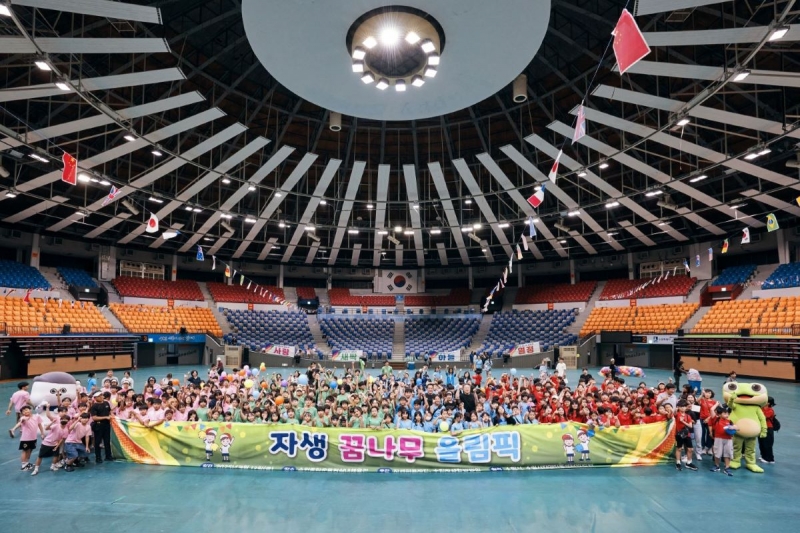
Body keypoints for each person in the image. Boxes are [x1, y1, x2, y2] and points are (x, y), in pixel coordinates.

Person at [10, 405, 44, 471]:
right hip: (25, 438)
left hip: (33, 437)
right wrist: (13, 429)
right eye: (23, 411)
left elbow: (39, 425)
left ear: (30, 410)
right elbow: (20, 423)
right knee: (25, 450)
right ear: (22, 413)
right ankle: (23, 465)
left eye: (26, 410)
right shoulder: (23, 418)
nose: (25, 411)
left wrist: (42, 433)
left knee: (30, 450)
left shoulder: (37, 416)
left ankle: (26, 463)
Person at [706, 405, 736, 476]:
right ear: (719, 414)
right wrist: (717, 403)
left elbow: (737, 428)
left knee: (727, 453)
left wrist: (733, 428)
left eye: (727, 413)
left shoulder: (730, 421)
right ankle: (717, 466)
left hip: (728, 439)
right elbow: (712, 410)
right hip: (718, 439)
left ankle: (727, 468)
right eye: (725, 413)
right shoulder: (716, 419)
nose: (727, 415)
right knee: (717, 453)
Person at [672, 400, 698, 471]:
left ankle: (689, 463)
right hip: (678, 434)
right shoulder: (677, 414)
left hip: (687, 434)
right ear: (678, 407)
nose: (683, 408)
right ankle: (678, 463)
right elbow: (674, 412)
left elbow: (690, 426)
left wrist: (683, 421)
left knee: (690, 449)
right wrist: (676, 407)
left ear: (686, 407)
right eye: (681, 406)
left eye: (684, 406)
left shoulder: (688, 416)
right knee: (679, 448)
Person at [89, 391, 114, 463]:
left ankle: (108, 456)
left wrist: (112, 416)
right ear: (95, 398)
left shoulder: (106, 403)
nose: (101, 397)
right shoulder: (94, 406)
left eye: (101, 395)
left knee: (107, 441)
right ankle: (98, 457)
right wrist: (105, 417)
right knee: (97, 442)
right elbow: (94, 417)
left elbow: (110, 412)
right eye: (99, 396)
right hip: (98, 425)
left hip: (107, 425)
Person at [758, 396, 777, 464]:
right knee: (761, 442)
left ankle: (769, 459)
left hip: (768, 428)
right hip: (762, 427)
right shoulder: (762, 408)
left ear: (768, 403)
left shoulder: (770, 410)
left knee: (767, 444)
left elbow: (763, 417)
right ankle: (763, 456)